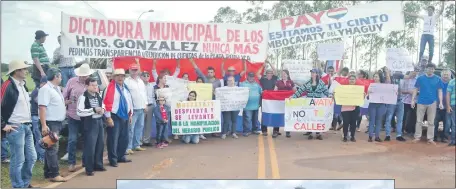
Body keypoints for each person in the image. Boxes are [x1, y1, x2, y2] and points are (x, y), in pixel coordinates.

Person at [1, 60, 38, 188]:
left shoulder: (23, 85)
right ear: (17, 71)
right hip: (16, 127)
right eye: (24, 69)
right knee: (18, 160)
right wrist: (3, 125)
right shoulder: (8, 85)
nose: (26, 71)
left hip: (26, 126)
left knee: (32, 157)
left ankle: (24, 183)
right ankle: (18, 186)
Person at [61, 63, 94, 171]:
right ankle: (71, 162)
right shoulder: (71, 82)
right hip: (73, 116)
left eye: (86, 76)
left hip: (86, 117)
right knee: (72, 140)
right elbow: (63, 98)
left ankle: (85, 161)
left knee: (86, 140)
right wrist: (68, 102)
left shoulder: (91, 84)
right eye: (83, 75)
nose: (84, 77)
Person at [38, 67, 67, 182]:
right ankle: (54, 174)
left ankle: (48, 172)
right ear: (56, 76)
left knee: (50, 147)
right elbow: (42, 107)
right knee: (53, 149)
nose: (61, 78)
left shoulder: (56, 89)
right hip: (51, 122)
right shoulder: (46, 89)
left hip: (57, 122)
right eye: (60, 76)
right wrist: (44, 124)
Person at [103, 69, 133, 167]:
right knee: (113, 138)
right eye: (118, 76)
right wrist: (108, 117)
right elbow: (106, 103)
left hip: (125, 115)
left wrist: (130, 114)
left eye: (122, 76)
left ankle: (121, 156)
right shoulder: (110, 88)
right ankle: (113, 159)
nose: (120, 78)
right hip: (114, 115)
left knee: (124, 138)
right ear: (114, 77)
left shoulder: (126, 88)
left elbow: (129, 101)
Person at [76, 77, 106, 176]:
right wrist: (93, 110)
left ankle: (98, 164)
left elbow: (103, 105)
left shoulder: (98, 95)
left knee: (100, 144)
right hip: (90, 122)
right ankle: (89, 168)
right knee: (90, 146)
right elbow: (79, 111)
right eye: (92, 85)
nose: (95, 87)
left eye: (96, 85)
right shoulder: (83, 97)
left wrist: (102, 109)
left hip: (99, 121)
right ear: (87, 86)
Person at [411, 63, 444, 145]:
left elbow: (440, 90)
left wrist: (440, 102)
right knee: (419, 121)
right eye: (429, 68)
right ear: (426, 69)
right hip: (421, 102)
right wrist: (413, 100)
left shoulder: (438, 79)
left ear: (434, 70)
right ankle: (417, 137)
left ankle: (430, 138)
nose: (431, 70)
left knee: (431, 122)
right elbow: (415, 89)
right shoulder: (420, 78)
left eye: (432, 69)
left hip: (433, 102)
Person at [292, 69, 329, 140]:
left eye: (313, 73)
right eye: (311, 73)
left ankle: (318, 133)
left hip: (318, 104)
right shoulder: (308, 83)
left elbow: (326, 91)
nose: (312, 74)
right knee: (310, 118)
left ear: (317, 74)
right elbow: (300, 90)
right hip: (309, 104)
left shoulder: (321, 83)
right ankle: (311, 133)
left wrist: (330, 96)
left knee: (318, 118)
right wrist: (293, 97)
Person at [124, 64, 148, 155]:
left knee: (140, 127)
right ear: (129, 70)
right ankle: (128, 147)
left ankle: (137, 145)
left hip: (141, 108)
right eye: (132, 70)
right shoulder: (126, 81)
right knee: (130, 128)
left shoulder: (140, 81)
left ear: (138, 71)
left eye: (136, 70)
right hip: (132, 109)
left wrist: (145, 104)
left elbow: (144, 93)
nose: (134, 72)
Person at [384, 70, 407, 142]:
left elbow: (410, 76)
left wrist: (414, 67)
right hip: (391, 101)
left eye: (399, 71)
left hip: (400, 101)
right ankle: (388, 135)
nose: (398, 72)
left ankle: (399, 135)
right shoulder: (389, 77)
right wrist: (387, 72)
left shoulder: (403, 79)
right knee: (389, 118)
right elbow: (388, 82)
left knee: (400, 119)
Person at [337, 75, 361, 142]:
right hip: (345, 108)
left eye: (353, 79)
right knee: (346, 122)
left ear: (355, 80)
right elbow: (339, 95)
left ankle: (352, 136)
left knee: (353, 123)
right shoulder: (344, 88)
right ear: (348, 80)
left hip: (355, 108)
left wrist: (363, 94)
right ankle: (345, 136)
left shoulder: (359, 89)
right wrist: (335, 94)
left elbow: (361, 98)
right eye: (350, 79)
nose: (352, 80)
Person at [30, 77, 47, 163]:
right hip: (35, 117)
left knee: (40, 137)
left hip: (38, 116)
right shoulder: (36, 92)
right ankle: (42, 157)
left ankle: (41, 156)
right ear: (42, 83)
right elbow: (42, 103)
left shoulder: (39, 91)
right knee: (39, 138)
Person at [259, 62, 279, 136]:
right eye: (268, 73)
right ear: (266, 74)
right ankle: (264, 130)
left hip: (274, 100)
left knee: (275, 114)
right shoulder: (263, 79)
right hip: (265, 101)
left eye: (271, 73)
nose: (269, 74)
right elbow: (257, 74)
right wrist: (262, 66)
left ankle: (276, 131)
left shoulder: (275, 78)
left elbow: (275, 71)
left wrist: (270, 63)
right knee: (264, 114)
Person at [275, 70, 296, 138]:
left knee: (288, 116)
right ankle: (276, 131)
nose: (283, 75)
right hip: (279, 102)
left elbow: (295, 90)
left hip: (288, 102)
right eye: (282, 74)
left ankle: (288, 131)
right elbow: (275, 91)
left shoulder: (291, 82)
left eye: (285, 74)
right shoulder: (278, 82)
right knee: (278, 115)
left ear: (288, 75)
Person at [240, 72, 263, 137]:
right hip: (247, 106)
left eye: (252, 76)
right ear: (247, 76)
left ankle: (254, 129)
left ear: (254, 77)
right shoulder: (243, 84)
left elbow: (261, 92)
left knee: (255, 119)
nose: (251, 78)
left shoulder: (257, 85)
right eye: (250, 76)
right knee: (247, 119)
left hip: (256, 105)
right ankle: (246, 131)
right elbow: (239, 93)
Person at [367, 71, 388, 142]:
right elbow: (367, 96)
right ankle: (370, 136)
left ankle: (377, 136)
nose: (375, 78)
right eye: (374, 76)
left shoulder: (384, 86)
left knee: (378, 121)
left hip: (381, 104)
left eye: (376, 76)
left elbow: (387, 95)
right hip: (372, 104)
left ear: (380, 77)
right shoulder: (371, 85)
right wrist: (369, 93)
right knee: (372, 120)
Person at [434, 69, 451, 143]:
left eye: (447, 75)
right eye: (444, 74)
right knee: (435, 121)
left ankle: (444, 137)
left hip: (447, 106)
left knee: (446, 122)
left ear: (450, 76)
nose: (445, 76)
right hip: (437, 105)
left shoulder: (451, 83)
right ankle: (434, 136)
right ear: (441, 75)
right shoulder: (437, 82)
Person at [141, 71, 156, 147]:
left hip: (150, 106)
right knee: (140, 124)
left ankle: (146, 141)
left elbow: (153, 96)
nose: (146, 77)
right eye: (144, 75)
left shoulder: (151, 86)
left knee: (148, 125)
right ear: (141, 77)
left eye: (148, 75)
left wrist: (154, 106)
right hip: (142, 107)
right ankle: (139, 142)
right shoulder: (139, 85)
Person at [401, 70, 418, 136]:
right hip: (405, 101)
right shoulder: (405, 80)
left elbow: (419, 89)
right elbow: (401, 91)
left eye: (415, 72)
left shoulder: (417, 80)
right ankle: (402, 130)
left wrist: (416, 92)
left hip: (415, 101)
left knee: (413, 117)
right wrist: (409, 92)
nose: (414, 73)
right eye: (412, 72)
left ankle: (411, 131)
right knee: (404, 116)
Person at [446, 78, 455, 146]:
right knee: (454, 124)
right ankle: (453, 140)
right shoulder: (452, 82)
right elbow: (448, 94)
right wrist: (448, 106)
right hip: (453, 105)